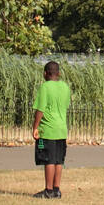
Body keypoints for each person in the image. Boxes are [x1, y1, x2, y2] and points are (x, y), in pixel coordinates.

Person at [31, 60, 71, 197]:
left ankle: (48, 190)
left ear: (45, 74)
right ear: (58, 73)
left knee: (48, 159)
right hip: (62, 129)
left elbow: (40, 109)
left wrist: (35, 127)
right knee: (59, 160)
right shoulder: (65, 87)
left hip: (48, 129)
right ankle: (56, 189)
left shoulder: (45, 87)